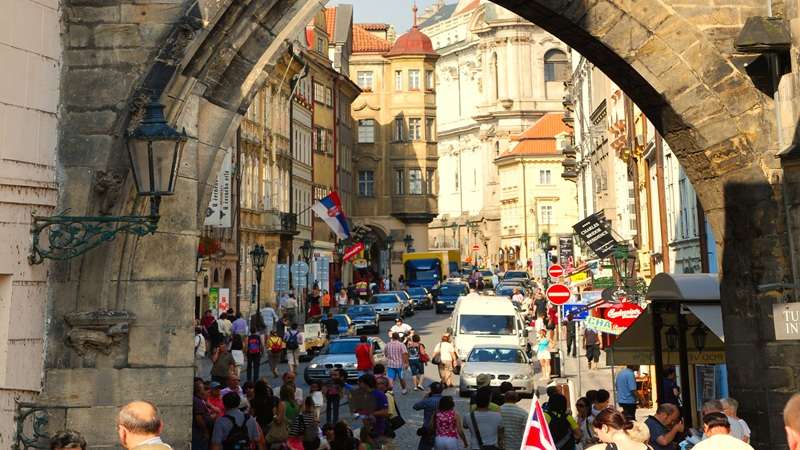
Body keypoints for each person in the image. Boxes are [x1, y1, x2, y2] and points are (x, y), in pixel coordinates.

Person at [413, 382, 444, 450]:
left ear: (432, 391)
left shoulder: (428, 401)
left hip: (428, 430)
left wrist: (425, 398)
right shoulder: (445, 400)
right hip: (442, 430)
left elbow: (415, 407)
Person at [193, 378, 212, 450]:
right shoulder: (197, 401)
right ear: (199, 390)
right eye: (203, 388)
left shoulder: (200, 400)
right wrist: (205, 431)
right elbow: (199, 419)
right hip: (199, 434)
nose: (205, 390)